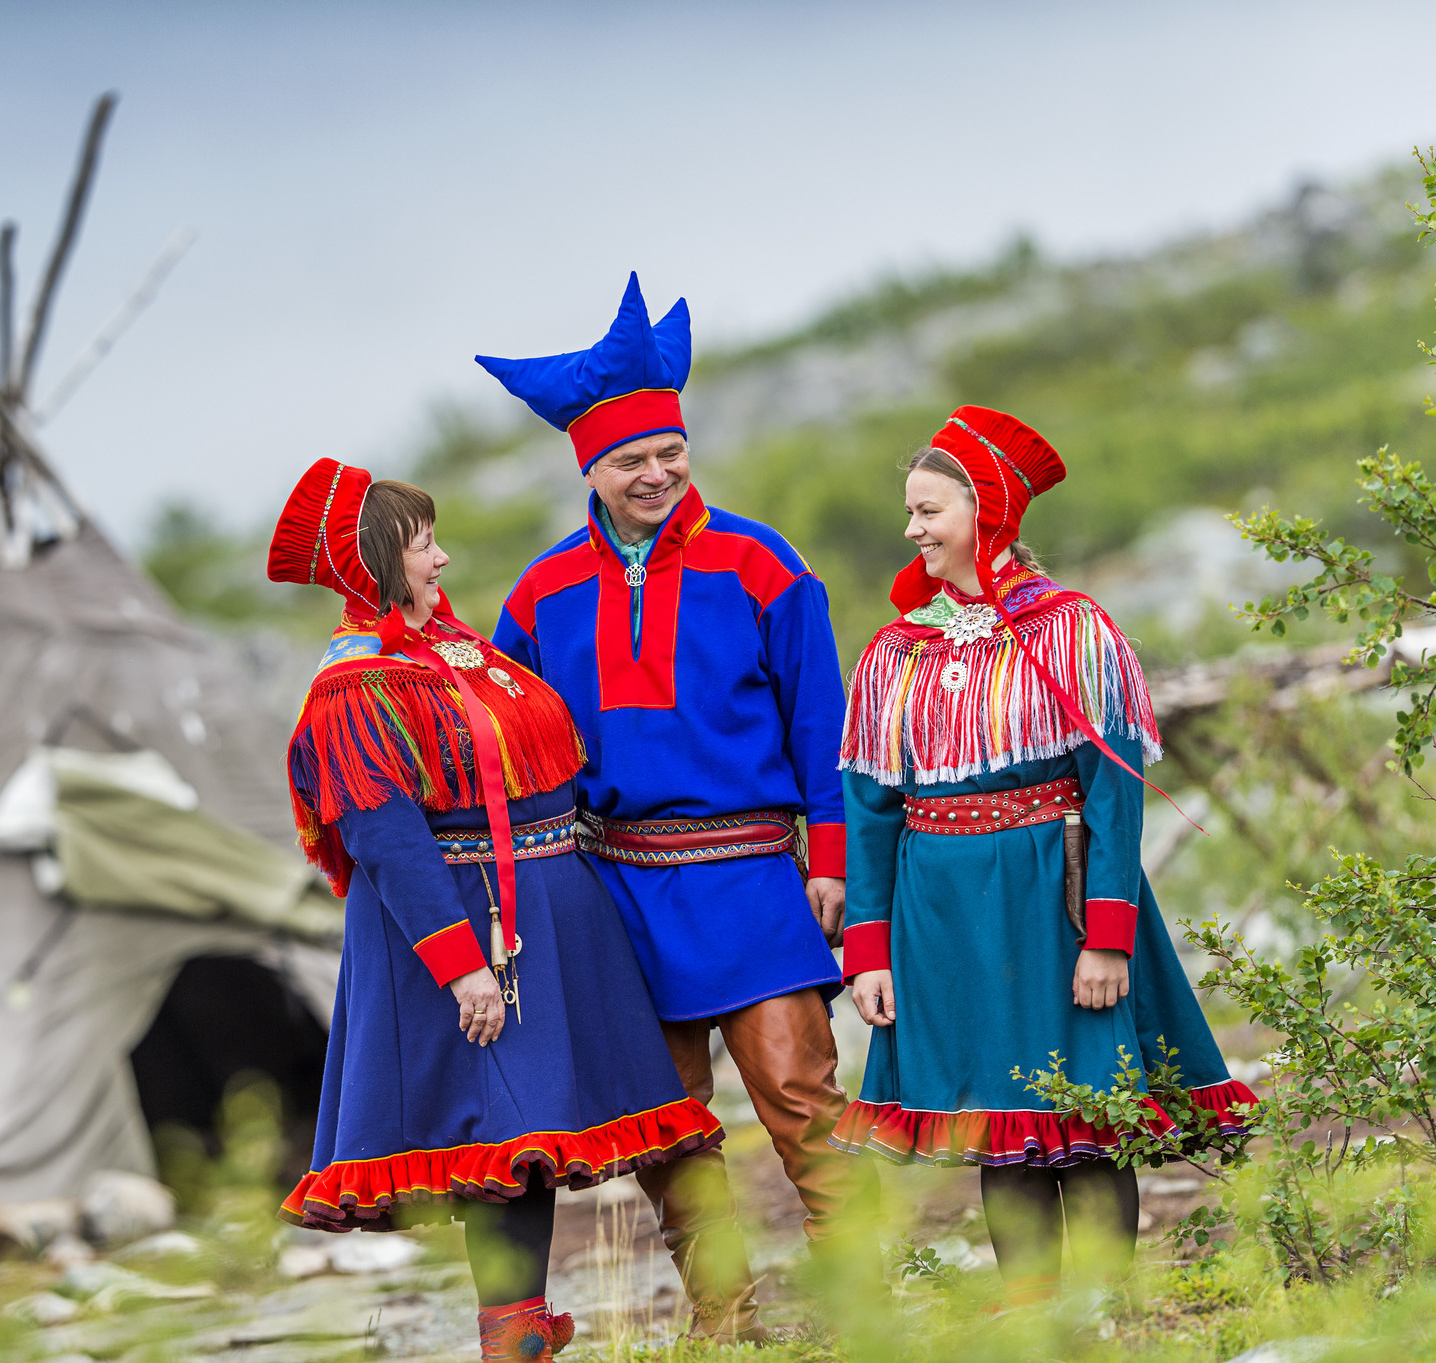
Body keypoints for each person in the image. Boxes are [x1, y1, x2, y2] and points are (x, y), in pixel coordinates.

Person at [484, 274, 879, 1342]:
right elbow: (513, 750)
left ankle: (866, 1311)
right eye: (631, 461)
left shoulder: (762, 564)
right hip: (616, 891)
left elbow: (822, 727)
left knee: (800, 1099)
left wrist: (830, 857)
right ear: (591, 472)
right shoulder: (539, 593)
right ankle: (723, 1315)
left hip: (752, 875)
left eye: (670, 452)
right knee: (666, 1132)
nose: (655, 472)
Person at [267, 458, 724, 1362]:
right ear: (373, 560)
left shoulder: (454, 650)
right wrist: (462, 963)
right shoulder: (355, 685)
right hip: (474, 928)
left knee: (575, 1124)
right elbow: (388, 839)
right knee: (504, 1137)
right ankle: (514, 1340)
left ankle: (728, 1305)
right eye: (422, 542)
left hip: (553, 914)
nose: (442, 557)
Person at [830, 406, 1258, 1305]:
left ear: (985, 509)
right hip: (941, 920)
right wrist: (867, 950)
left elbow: (1113, 794)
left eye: (929, 511)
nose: (912, 531)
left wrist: (1108, 935)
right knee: (1000, 1116)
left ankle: (1106, 1313)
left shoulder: (1072, 630)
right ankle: (1034, 1323)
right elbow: (868, 812)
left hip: (1054, 903)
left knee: (1088, 1115)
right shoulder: (892, 654)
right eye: (910, 512)